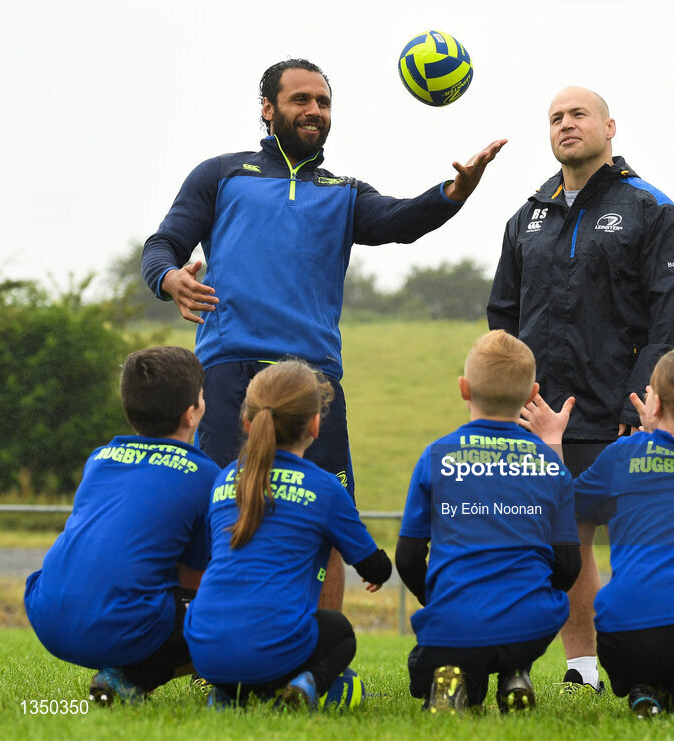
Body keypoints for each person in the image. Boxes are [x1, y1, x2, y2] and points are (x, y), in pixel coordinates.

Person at [141, 58, 505, 611]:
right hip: (230, 369)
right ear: (268, 110)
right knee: (215, 511)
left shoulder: (344, 191)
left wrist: (454, 192)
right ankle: (203, 650)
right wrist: (168, 279)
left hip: (315, 379)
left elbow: (401, 222)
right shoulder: (221, 174)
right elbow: (163, 243)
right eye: (300, 100)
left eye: (323, 102)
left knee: (328, 520)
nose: (314, 110)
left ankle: (314, 655)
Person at [487, 85, 674, 692]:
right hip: (541, 413)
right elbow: (502, 314)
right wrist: (512, 394)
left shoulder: (652, 210)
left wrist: (646, 401)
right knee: (559, 540)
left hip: (626, 409)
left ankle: (651, 668)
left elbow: (672, 319)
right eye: (555, 117)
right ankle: (582, 668)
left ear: (610, 126)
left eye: (578, 114)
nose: (566, 124)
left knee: (639, 544)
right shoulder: (526, 214)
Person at [523, 345, 674, 718]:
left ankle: (643, 687)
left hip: (632, 633)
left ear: (658, 403)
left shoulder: (624, 454)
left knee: (634, 613)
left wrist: (552, 440)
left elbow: (566, 504)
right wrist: (658, 428)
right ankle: (672, 696)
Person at [183, 359, 391, 709]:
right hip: (276, 650)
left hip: (204, 649)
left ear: (248, 422)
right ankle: (305, 686)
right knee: (339, 633)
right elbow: (374, 567)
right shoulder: (324, 488)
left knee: (241, 643)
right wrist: (379, 570)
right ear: (315, 424)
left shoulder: (223, 480)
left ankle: (225, 693)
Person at [396, 330, 581, 714]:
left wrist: (437, 598)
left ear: (464, 389)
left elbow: (409, 558)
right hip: (530, 625)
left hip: (452, 620)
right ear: (532, 393)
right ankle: (516, 673)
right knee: (517, 619)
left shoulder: (436, 456)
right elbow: (568, 565)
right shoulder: (550, 465)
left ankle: (453, 676)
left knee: (428, 665)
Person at [23, 346, 220, 705]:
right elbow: (194, 582)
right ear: (192, 414)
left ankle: (126, 668)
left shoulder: (99, 458)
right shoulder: (205, 474)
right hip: (115, 627)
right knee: (224, 605)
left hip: (46, 612)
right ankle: (131, 677)